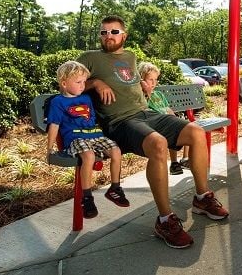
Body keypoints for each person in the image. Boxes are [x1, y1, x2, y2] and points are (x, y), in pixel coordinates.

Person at [77, 16, 228, 249]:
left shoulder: (130, 57)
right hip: (120, 122)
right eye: (103, 32)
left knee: (196, 132)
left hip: (146, 113)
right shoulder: (90, 58)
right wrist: (95, 83)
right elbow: (67, 83)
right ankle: (165, 220)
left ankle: (202, 198)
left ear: (124, 35)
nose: (108, 36)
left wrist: (144, 88)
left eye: (114, 32)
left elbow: (131, 82)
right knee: (158, 143)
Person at [46, 61, 130, 219]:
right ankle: (87, 198)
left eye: (84, 82)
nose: (82, 86)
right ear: (64, 83)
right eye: (78, 82)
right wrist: (49, 149)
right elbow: (54, 125)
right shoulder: (58, 102)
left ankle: (115, 188)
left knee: (116, 151)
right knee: (89, 156)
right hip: (75, 138)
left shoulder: (86, 98)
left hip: (95, 135)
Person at [138, 61, 188, 176]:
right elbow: (143, 110)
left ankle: (184, 159)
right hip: (155, 125)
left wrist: (174, 118)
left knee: (184, 125)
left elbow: (168, 109)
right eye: (150, 80)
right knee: (172, 129)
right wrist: (147, 92)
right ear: (142, 80)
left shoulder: (159, 94)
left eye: (155, 80)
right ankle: (174, 163)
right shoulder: (141, 97)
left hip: (168, 121)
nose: (153, 83)